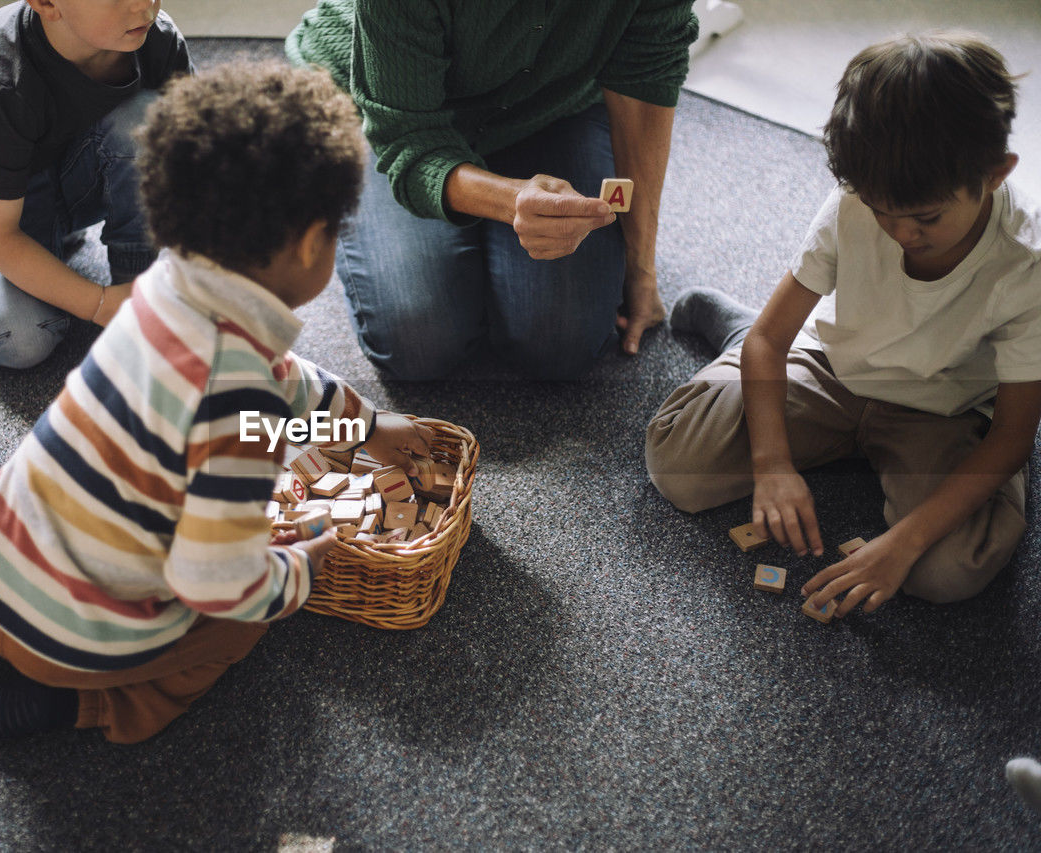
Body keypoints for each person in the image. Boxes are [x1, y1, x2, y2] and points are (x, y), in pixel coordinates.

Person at [0, 61, 434, 751]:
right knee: (236, 627)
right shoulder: (240, 397)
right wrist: (297, 573)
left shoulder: (165, 287)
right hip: (76, 642)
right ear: (313, 242)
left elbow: (283, 385)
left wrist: (365, 423)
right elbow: (216, 580)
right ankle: (71, 707)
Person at [645, 31, 1041, 615]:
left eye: (925, 217)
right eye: (882, 212)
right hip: (833, 367)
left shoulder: (1025, 264)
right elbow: (770, 340)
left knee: (950, 570)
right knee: (677, 462)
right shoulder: (854, 202)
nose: (901, 233)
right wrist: (771, 464)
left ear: (997, 172)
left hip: (942, 410)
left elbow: (1013, 436)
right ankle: (733, 328)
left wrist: (902, 544)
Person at [286, 0, 697, 380]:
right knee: (418, 342)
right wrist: (510, 201)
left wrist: (641, 268)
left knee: (563, 346)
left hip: (551, 104)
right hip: (391, 109)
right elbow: (407, 137)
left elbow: (649, 74)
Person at [0, 0, 192, 369]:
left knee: (151, 124)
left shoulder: (158, 41)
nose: (144, 5)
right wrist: (100, 304)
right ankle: (64, 258)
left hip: (80, 176)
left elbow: (189, 168)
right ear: (47, 4)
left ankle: (133, 283)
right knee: (20, 342)